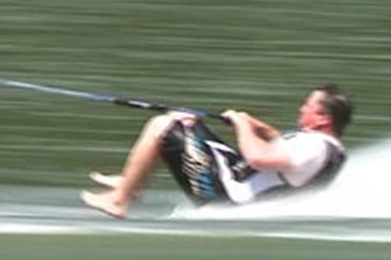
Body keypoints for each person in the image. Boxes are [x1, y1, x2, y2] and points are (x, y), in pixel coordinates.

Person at [82, 84, 353, 219]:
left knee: (162, 125)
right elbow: (277, 142)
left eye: (307, 106)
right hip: (237, 181)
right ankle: (133, 183)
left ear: (322, 119)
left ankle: (120, 200)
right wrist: (252, 122)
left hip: (226, 198)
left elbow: (258, 158)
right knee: (184, 118)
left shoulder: (313, 147)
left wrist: (242, 126)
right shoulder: (328, 149)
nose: (300, 109)